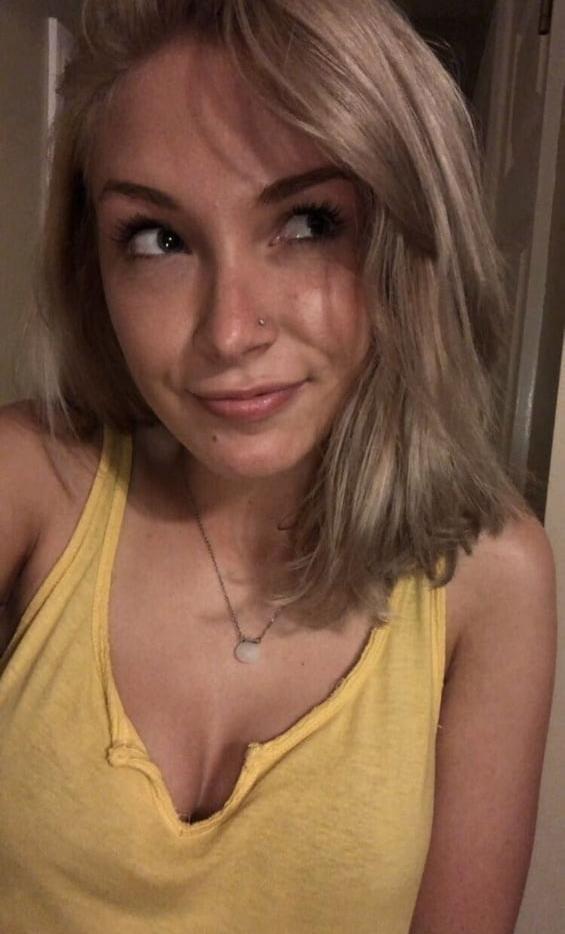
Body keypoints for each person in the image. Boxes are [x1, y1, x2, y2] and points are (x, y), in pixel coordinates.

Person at [0, 0, 557, 931]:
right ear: (92, 266)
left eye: (306, 222)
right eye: (159, 239)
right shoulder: (28, 483)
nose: (229, 332)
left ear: (409, 239)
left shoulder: (490, 580)